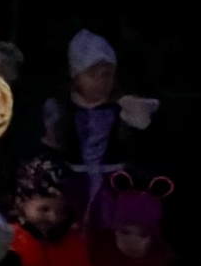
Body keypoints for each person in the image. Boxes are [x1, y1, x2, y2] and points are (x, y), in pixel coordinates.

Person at [42, 29, 160, 205]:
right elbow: (50, 152)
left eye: (106, 74)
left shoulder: (123, 108)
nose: (101, 81)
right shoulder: (61, 109)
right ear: (76, 76)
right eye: (92, 75)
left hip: (114, 187)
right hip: (73, 187)